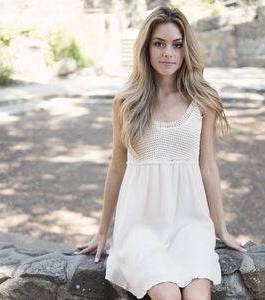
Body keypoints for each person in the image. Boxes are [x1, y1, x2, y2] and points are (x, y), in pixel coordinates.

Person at [74, 6, 248, 300]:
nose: (168, 52)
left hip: (190, 224)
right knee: (167, 294)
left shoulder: (202, 100)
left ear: (185, 50)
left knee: (196, 296)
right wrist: (102, 231)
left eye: (177, 45)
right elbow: (117, 167)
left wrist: (221, 228)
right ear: (146, 47)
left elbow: (207, 166)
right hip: (140, 226)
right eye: (159, 43)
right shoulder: (126, 102)